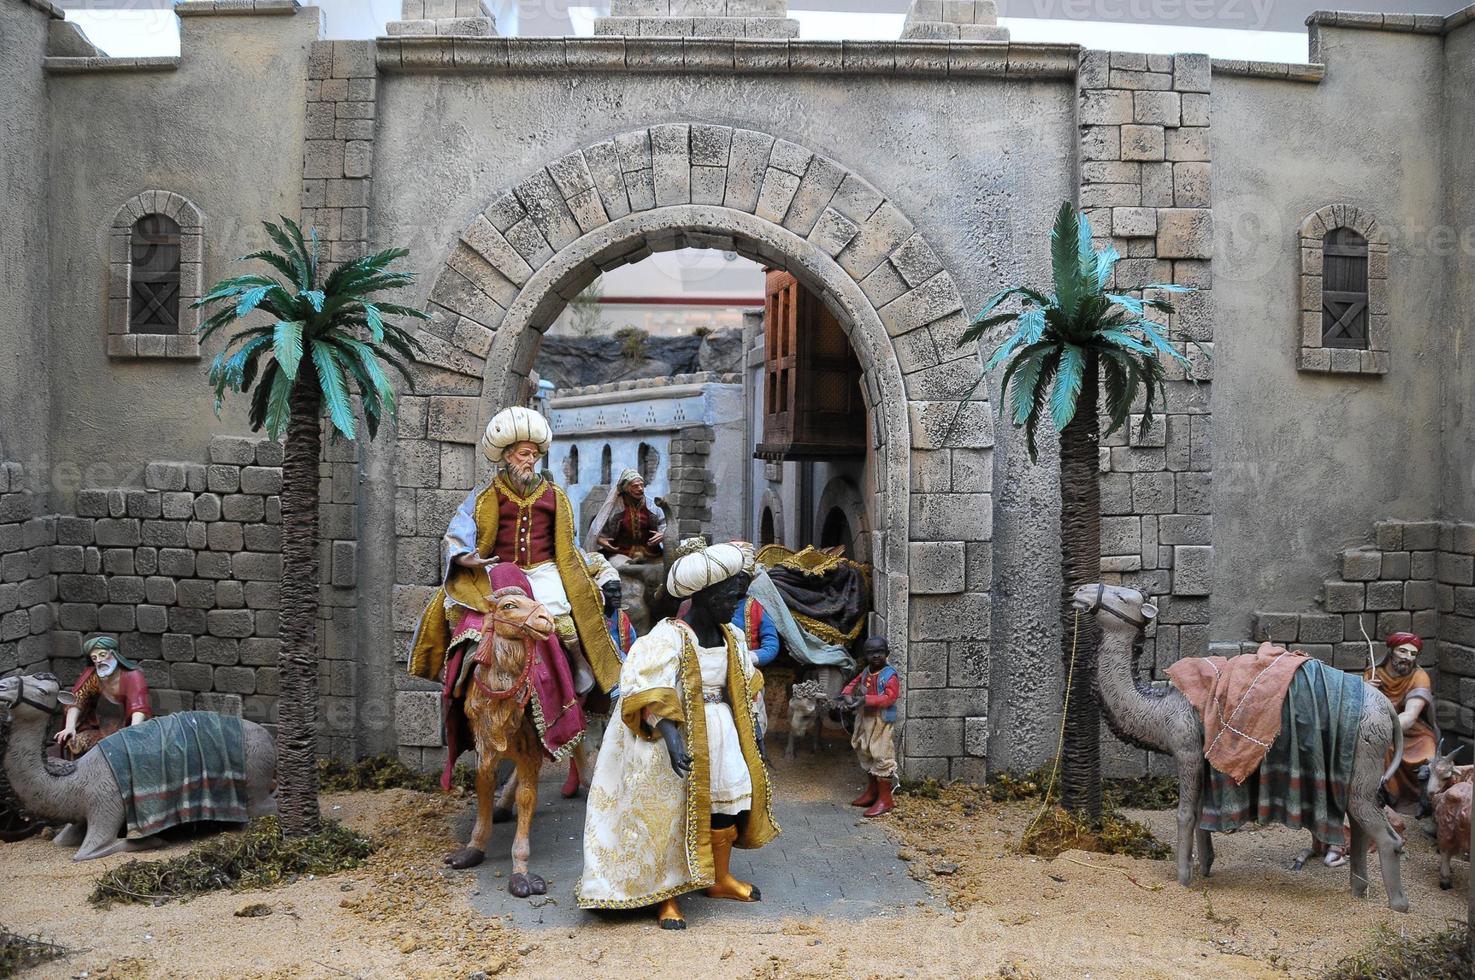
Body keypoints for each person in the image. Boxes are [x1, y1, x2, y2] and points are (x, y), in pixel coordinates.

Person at [408, 406, 620, 788]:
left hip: (543, 570)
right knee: (460, 617)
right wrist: (465, 554)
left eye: (534, 454)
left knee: (562, 616)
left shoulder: (555, 496)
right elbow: (459, 529)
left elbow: (568, 544)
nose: (530, 460)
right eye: (523, 453)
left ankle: (581, 669)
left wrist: (590, 569)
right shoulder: (486, 495)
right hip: (499, 571)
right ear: (507, 455)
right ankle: (455, 680)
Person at [577, 540, 779, 930]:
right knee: (670, 813)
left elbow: (744, 681)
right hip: (679, 734)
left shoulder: (732, 636)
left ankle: (719, 878)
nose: (733, 604)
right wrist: (671, 738)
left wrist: (753, 727)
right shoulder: (667, 638)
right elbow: (649, 688)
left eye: (737, 595)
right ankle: (667, 895)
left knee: (727, 806)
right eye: (727, 595)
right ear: (702, 596)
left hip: (722, 731)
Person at [1363, 631, 1438, 814]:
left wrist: (1386, 729)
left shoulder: (1419, 677)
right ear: (1391, 651)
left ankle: (1424, 803)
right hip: (1378, 728)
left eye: (1413, 654)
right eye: (1402, 651)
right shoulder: (1373, 673)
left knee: (1427, 752)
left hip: (1413, 731)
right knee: (1381, 750)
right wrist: (1363, 689)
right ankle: (1386, 799)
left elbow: (1411, 714)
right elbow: (1362, 707)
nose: (1408, 657)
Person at [53, 636, 151, 758]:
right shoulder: (94, 676)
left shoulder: (132, 676)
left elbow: (138, 708)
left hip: (125, 727)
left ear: (114, 654)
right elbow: (78, 699)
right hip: (100, 727)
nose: (99, 660)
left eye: (102, 655)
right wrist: (70, 726)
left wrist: (132, 732)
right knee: (75, 743)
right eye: (95, 658)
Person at [839, 637, 901, 818]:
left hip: (881, 720)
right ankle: (872, 792)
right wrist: (846, 695)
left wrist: (866, 699)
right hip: (865, 717)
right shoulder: (866, 671)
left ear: (887, 653)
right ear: (865, 655)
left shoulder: (890, 675)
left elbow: (890, 697)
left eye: (880, 652)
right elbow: (854, 683)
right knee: (864, 749)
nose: (876, 656)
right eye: (871, 653)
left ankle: (885, 798)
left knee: (881, 753)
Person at [589, 468, 665, 565]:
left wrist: (663, 533)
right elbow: (597, 527)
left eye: (642, 485)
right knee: (622, 570)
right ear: (626, 488)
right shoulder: (613, 508)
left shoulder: (652, 506)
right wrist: (599, 540)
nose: (640, 489)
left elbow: (664, 523)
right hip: (620, 554)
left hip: (651, 554)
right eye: (635, 486)